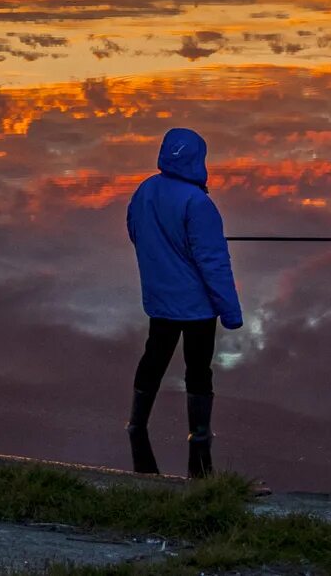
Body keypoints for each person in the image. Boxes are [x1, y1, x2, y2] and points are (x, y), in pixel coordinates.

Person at [124, 126, 242, 476]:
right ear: (198, 160)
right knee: (198, 369)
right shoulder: (199, 203)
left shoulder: (145, 189)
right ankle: (200, 436)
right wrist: (230, 312)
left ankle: (136, 424)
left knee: (154, 357)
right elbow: (213, 262)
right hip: (196, 308)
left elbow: (135, 231)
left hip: (160, 298)